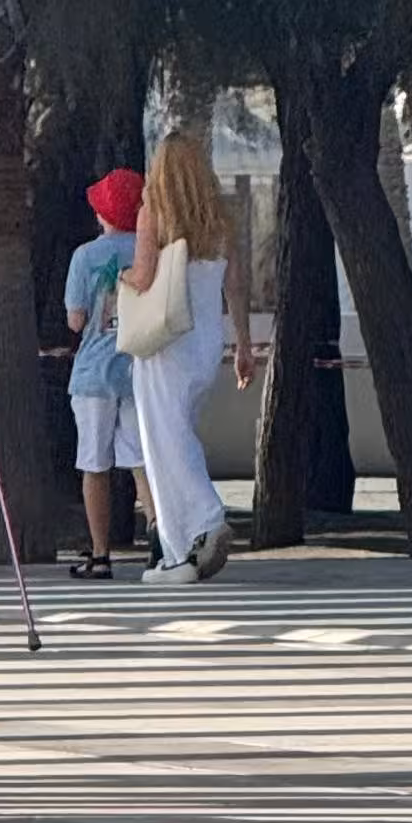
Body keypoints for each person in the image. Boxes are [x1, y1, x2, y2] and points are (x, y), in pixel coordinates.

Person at [123, 132, 254, 587]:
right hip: (205, 342)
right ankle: (180, 551)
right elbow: (235, 285)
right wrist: (243, 344)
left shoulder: (153, 215)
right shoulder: (219, 220)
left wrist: (118, 277)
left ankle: (202, 522)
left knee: (164, 439)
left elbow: (143, 276)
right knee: (178, 431)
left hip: (165, 343)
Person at [65, 168, 158, 580]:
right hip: (139, 368)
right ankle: (161, 541)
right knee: (143, 461)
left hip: (93, 373)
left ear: (102, 213)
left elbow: (75, 319)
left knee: (94, 465)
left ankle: (100, 554)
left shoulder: (85, 256)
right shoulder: (150, 249)